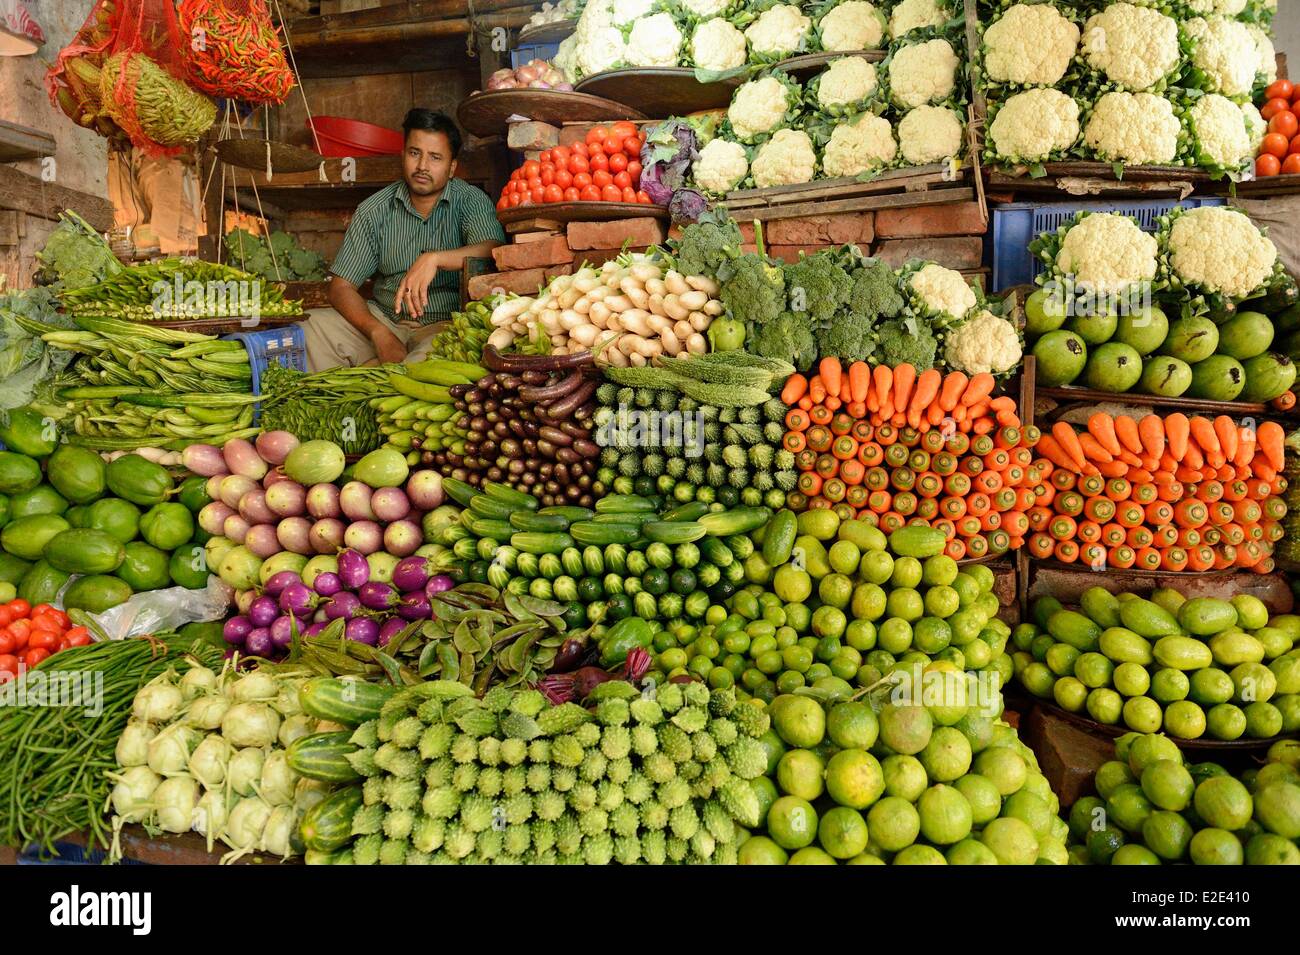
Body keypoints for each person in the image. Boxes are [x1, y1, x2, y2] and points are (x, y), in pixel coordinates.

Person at [301, 108, 505, 370]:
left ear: (451, 167)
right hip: (384, 318)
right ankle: (373, 370)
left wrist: (435, 259)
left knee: (426, 366)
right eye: (414, 153)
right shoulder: (374, 209)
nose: (422, 166)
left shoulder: (470, 201)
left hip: (445, 324)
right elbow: (340, 287)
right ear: (402, 155)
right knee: (309, 329)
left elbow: (494, 248)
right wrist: (377, 332)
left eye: (435, 158)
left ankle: (376, 373)